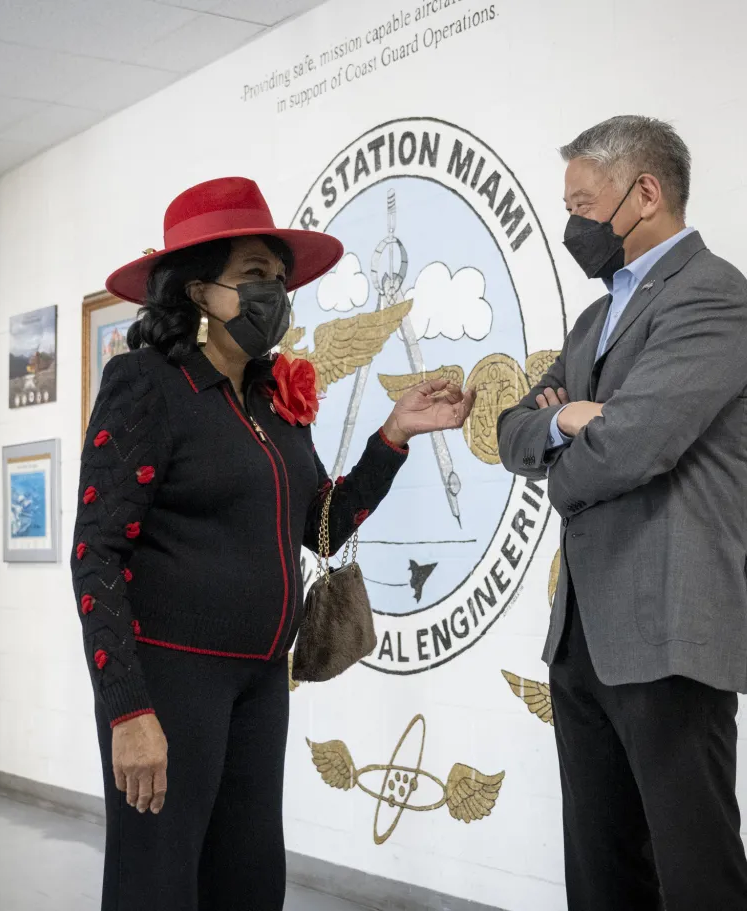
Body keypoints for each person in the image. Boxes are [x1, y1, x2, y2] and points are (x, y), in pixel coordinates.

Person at [72, 177, 475, 911]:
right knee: (157, 886)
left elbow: (322, 524)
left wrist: (394, 434)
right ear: (198, 292)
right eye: (254, 277)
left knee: (250, 885)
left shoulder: (274, 401)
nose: (275, 295)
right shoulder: (147, 386)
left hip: (262, 683)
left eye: (280, 280)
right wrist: (128, 710)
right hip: (170, 684)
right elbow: (95, 553)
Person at [497, 116, 747, 910]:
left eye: (583, 202)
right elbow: (513, 429)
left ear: (645, 193)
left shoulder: (712, 293)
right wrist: (561, 419)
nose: (573, 223)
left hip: (669, 633)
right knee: (601, 873)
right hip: (582, 639)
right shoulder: (594, 318)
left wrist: (569, 452)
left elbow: (633, 445)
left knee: (696, 872)